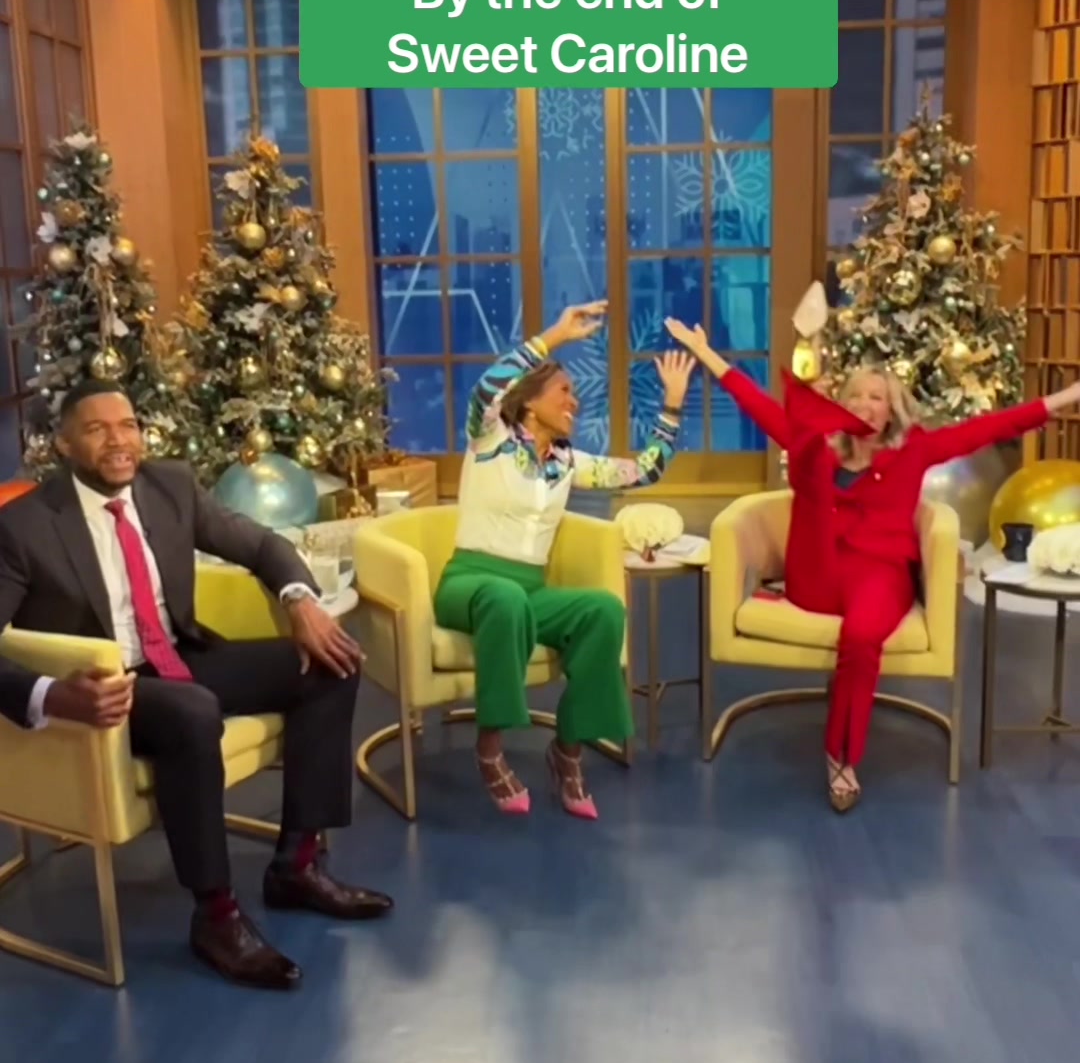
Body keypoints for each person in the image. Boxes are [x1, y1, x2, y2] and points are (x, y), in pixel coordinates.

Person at [0, 383, 393, 989]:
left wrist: (300, 600)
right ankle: (216, 915)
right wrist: (53, 693)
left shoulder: (170, 486)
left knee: (330, 663)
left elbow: (261, 542)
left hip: (179, 656)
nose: (119, 441)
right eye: (97, 429)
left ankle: (297, 866)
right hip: (107, 686)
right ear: (64, 444)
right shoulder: (24, 527)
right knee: (192, 711)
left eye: (128, 425)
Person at [665, 317, 1080, 811]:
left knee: (862, 637)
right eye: (856, 395)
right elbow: (755, 402)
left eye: (876, 397)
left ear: (891, 409)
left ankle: (841, 756)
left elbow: (984, 429)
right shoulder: (815, 442)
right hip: (816, 575)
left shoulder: (914, 449)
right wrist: (706, 353)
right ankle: (840, 740)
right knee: (851, 632)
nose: (864, 403)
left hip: (881, 571)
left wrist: (1064, 398)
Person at [436, 303, 694, 818]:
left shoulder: (568, 463)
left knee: (603, 610)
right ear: (530, 403)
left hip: (529, 591)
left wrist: (671, 405)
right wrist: (554, 335)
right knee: (504, 598)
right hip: (469, 583)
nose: (575, 400)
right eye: (564, 391)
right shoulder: (489, 438)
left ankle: (568, 750)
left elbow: (644, 471)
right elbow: (486, 387)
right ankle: (489, 748)